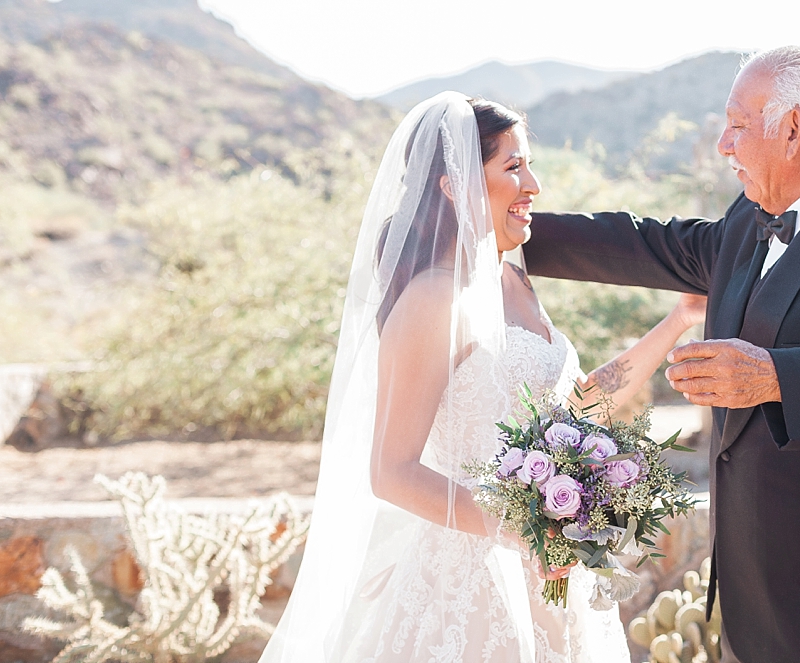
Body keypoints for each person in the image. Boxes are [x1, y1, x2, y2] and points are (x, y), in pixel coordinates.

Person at [523, 45, 800, 663]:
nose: (723, 145)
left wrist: (775, 377)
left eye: (737, 124)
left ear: (793, 131)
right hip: (747, 600)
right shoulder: (748, 218)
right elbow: (648, 243)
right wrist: (510, 230)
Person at [259, 92, 706, 663]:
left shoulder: (514, 280)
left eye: (530, 165)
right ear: (457, 184)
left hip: (550, 577)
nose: (534, 187)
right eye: (514, 167)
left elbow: (577, 408)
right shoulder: (433, 297)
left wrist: (679, 319)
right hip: (467, 583)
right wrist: (523, 533)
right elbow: (391, 471)